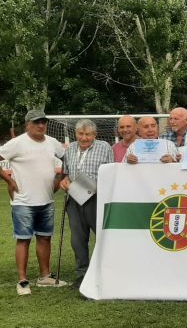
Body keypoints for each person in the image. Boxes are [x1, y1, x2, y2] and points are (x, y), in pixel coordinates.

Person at [0, 110, 68, 295]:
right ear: (27, 124)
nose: (41, 125)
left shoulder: (52, 142)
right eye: (37, 122)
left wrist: (60, 178)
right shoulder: (17, 143)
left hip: (46, 200)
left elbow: (67, 159)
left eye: (43, 122)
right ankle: (22, 281)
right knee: (23, 240)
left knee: (45, 237)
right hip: (23, 202)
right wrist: (9, 181)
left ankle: (45, 276)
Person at [58, 119, 113, 288]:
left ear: (94, 135)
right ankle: (82, 273)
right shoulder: (70, 149)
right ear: (76, 134)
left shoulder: (105, 147)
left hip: (97, 198)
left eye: (88, 134)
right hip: (74, 199)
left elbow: (111, 173)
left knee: (103, 236)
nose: (84, 138)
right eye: (80, 134)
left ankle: (105, 271)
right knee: (78, 239)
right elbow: (65, 174)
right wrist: (64, 182)